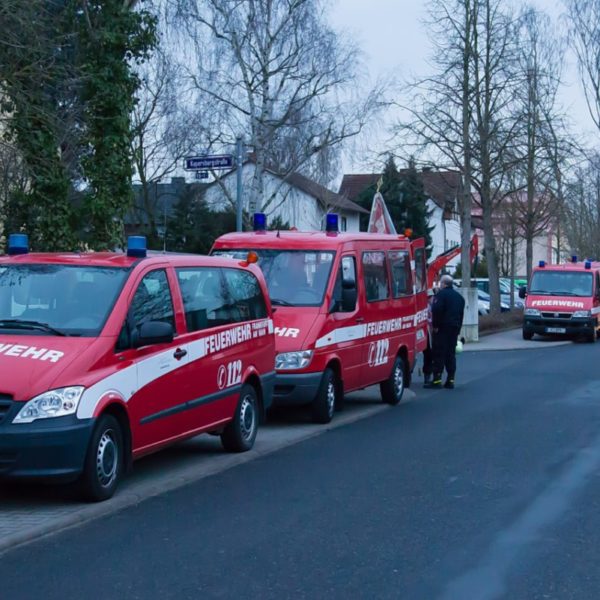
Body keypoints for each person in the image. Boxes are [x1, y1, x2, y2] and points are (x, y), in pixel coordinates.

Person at [425, 274, 465, 389]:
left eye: (440, 283)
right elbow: (461, 315)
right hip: (454, 328)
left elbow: (436, 310)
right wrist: (458, 329)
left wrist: (435, 326)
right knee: (450, 354)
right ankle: (451, 379)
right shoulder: (459, 298)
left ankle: (437, 380)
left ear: (443, 284)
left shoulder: (440, 295)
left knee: (439, 353)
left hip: (442, 328)